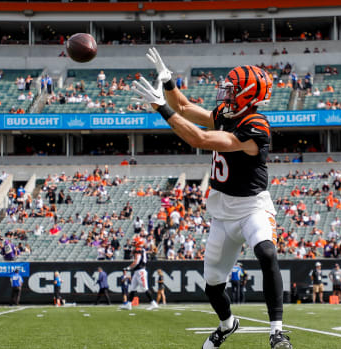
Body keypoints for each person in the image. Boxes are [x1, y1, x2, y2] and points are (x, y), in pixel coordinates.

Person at [133, 47, 291, 348]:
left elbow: (200, 139)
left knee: (267, 253)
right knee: (213, 286)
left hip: (251, 206)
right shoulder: (224, 114)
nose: (225, 94)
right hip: (222, 210)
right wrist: (167, 82)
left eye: (233, 90)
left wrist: (159, 108)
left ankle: (277, 331)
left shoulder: (256, 126)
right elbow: (182, 105)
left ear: (248, 95)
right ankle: (227, 324)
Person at [119, 239, 158, 311]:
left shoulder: (138, 250)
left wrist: (127, 268)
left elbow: (136, 262)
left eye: (134, 242)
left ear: (138, 243)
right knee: (132, 288)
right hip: (137, 272)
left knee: (145, 288)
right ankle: (129, 305)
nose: (133, 243)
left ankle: (153, 303)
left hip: (140, 271)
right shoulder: (142, 249)